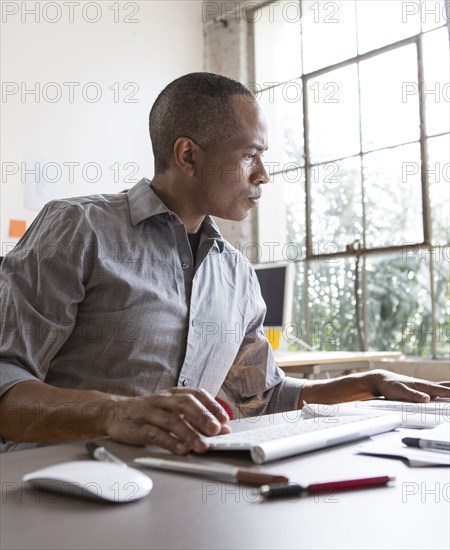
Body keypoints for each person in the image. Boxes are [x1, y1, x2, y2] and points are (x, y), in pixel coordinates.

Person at [0, 72, 448, 454]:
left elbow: (262, 397)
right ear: (188, 156)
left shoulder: (235, 272)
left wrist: (368, 382)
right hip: (49, 483)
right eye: (250, 155)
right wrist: (115, 412)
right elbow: (6, 380)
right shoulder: (79, 227)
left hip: (169, 486)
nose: (263, 175)